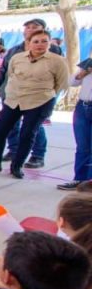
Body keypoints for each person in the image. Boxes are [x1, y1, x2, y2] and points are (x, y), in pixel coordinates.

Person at [0, 28, 68, 179]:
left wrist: (45, 95)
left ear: (49, 43)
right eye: (36, 41)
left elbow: (61, 84)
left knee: (27, 134)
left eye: (44, 41)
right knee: (0, 130)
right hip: (14, 100)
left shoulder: (57, 61)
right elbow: (9, 75)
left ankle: (16, 166)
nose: (40, 44)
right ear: (29, 43)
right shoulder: (17, 58)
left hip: (39, 101)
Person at [59, 51, 92, 191]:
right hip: (83, 106)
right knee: (82, 145)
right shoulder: (88, 63)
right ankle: (80, 179)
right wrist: (81, 74)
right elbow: (72, 82)